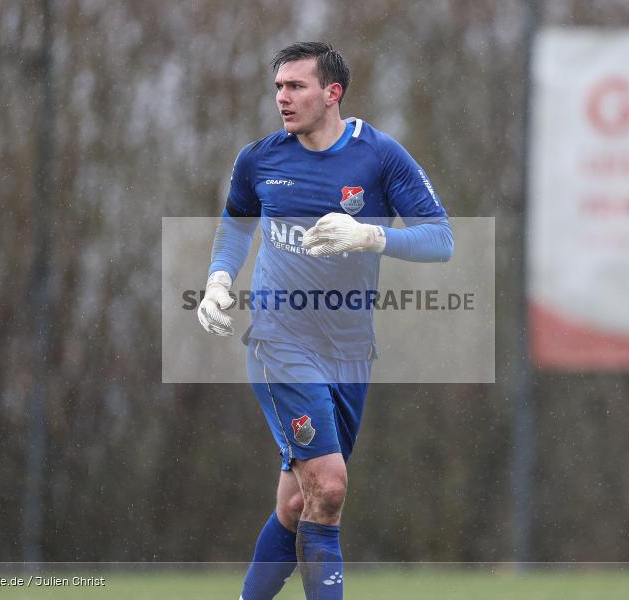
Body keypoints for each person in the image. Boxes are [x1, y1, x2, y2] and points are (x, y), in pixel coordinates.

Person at [197, 41, 453, 600]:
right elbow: (235, 227)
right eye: (278, 88)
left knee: (298, 503)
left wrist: (370, 235)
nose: (282, 98)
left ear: (332, 93)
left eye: (296, 86)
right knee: (331, 487)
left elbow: (442, 240)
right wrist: (219, 282)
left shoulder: (379, 157)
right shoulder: (259, 159)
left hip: (351, 349)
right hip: (278, 340)